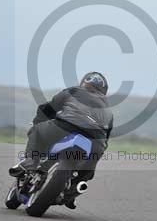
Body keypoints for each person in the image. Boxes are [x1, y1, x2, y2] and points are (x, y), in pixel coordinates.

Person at [9, 72, 114, 209]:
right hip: (95, 141)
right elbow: (106, 138)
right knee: (91, 162)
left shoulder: (74, 91)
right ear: (104, 91)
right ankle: (74, 189)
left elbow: (47, 109)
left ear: (84, 83)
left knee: (36, 130)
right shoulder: (108, 110)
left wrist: (38, 122)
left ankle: (31, 161)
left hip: (65, 127)